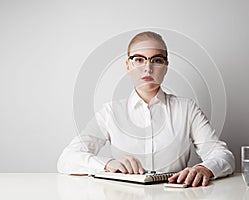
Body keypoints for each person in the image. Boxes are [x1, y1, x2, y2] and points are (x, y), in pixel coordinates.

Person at [57, 31, 235, 187]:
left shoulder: (187, 109)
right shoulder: (110, 112)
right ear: (128, 65)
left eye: (156, 60)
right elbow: (67, 159)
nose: (147, 68)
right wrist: (107, 164)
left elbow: (224, 156)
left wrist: (204, 169)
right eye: (139, 59)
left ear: (165, 66)